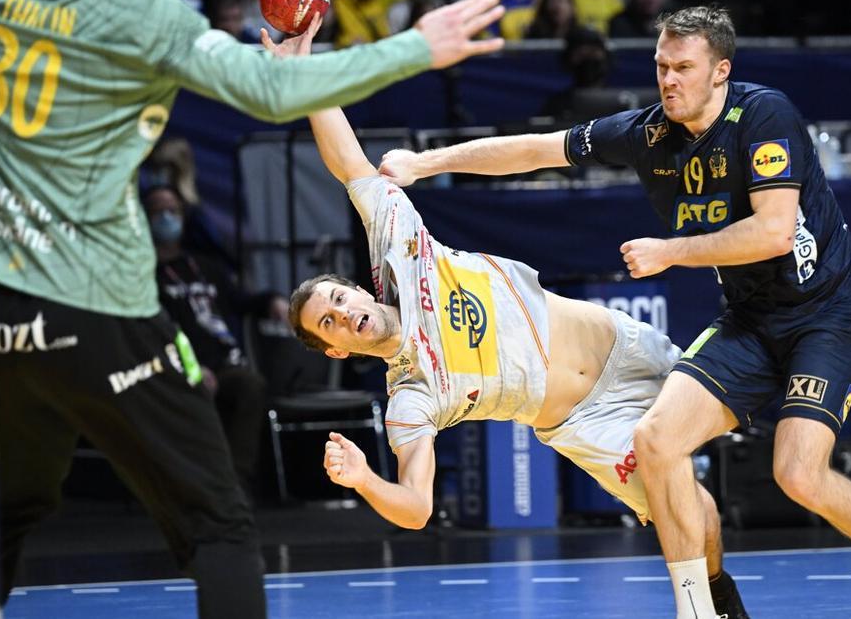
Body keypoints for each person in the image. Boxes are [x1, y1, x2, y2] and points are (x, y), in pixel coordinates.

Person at [378, 5, 851, 619]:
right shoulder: (648, 133)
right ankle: (695, 611)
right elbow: (537, 149)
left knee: (797, 472)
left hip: (829, 314)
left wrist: (670, 253)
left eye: (683, 67)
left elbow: (772, 232)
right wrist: (426, 163)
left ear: (721, 71)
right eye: (661, 66)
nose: (669, 81)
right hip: (750, 317)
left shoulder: (764, 115)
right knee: (656, 440)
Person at [0, 0, 505, 615]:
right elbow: (269, 90)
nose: (344, 310)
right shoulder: (142, 13)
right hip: (97, 303)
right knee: (219, 526)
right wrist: (412, 47)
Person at [260, 31, 753, 619]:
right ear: (336, 350)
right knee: (698, 514)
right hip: (589, 423)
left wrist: (304, 75)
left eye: (339, 298)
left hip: (623, 344)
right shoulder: (412, 394)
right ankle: (722, 608)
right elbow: (416, 508)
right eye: (331, 323)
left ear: (357, 286)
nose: (345, 312)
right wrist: (367, 479)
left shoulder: (402, 248)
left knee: (763, 399)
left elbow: (348, 164)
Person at [145, 184, 270, 496]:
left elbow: (240, 300)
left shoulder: (205, 265)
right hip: (177, 366)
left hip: (225, 365)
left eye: (173, 210)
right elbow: (151, 330)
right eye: (158, 211)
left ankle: (235, 486)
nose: (167, 217)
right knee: (197, 393)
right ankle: (198, 486)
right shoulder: (143, 273)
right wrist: (193, 366)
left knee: (250, 385)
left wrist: (274, 302)